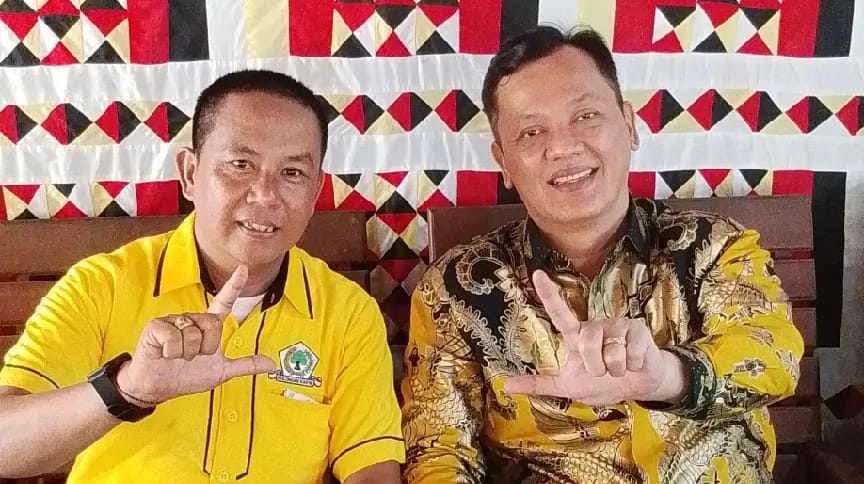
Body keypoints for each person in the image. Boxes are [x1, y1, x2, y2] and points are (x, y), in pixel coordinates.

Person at [401, 26, 803, 483]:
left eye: (586, 115)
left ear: (629, 125)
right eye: (532, 131)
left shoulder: (713, 246)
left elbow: (773, 357)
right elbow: (437, 453)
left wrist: (667, 376)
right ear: (503, 161)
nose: (563, 147)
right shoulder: (455, 290)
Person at [0, 70, 404, 483]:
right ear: (190, 173)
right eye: (241, 164)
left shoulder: (347, 312)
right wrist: (129, 389)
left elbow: (373, 470)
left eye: (292, 173)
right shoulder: (101, 286)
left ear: (316, 190)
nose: (265, 194)